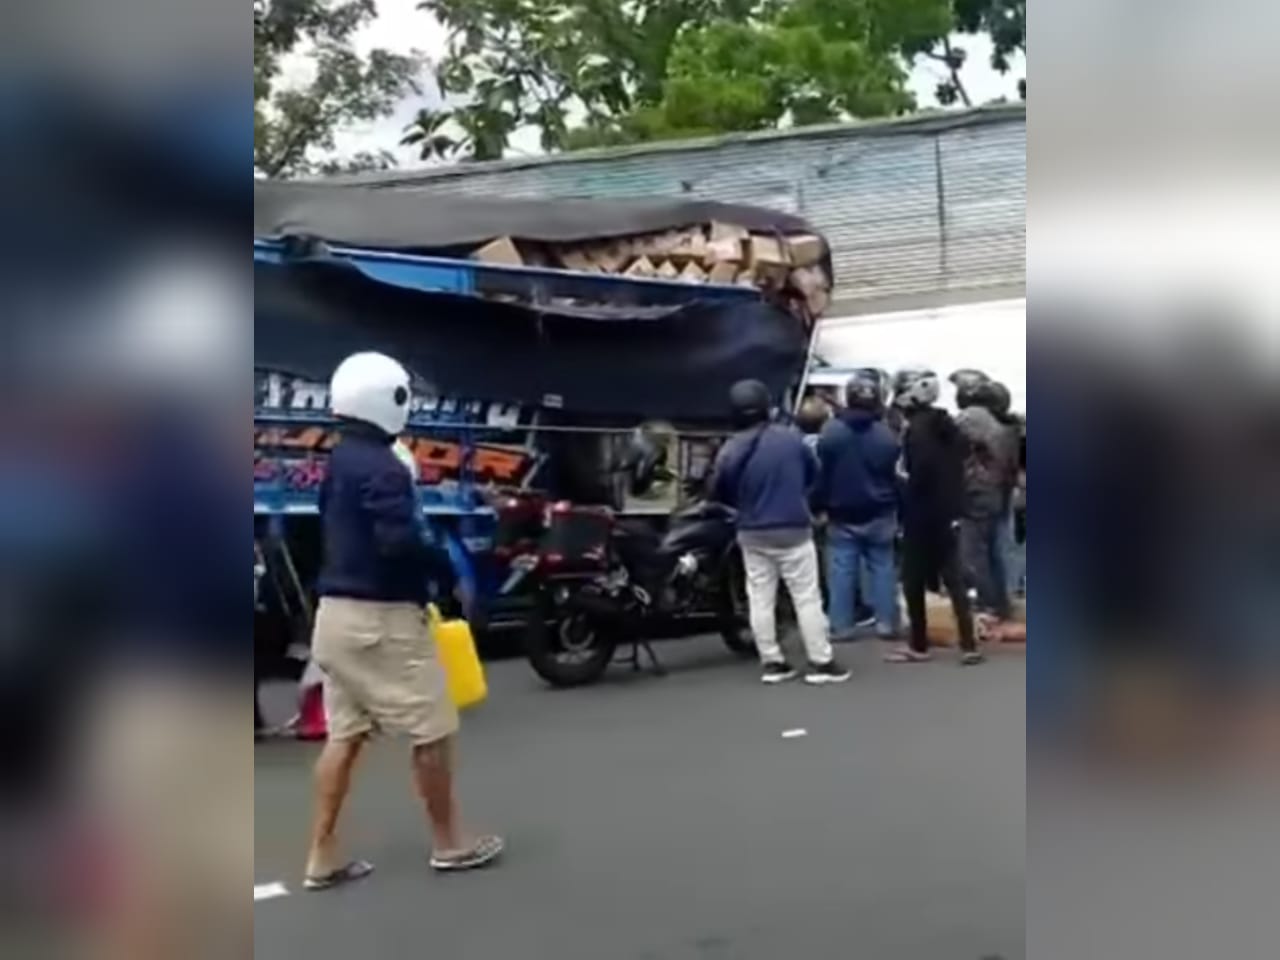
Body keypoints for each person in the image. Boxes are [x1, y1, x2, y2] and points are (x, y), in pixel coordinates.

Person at [303, 351, 503, 890]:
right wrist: (445, 571)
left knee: (344, 736)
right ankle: (450, 843)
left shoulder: (340, 459)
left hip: (336, 620)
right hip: (381, 620)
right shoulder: (385, 465)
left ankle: (322, 855)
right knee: (432, 728)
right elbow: (399, 540)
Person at [711, 379, 850, 684]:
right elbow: (814, 476)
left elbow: (720, 490)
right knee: (806, 597)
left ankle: (773, 662)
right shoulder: (791, 440)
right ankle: (820, 662)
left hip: (751, 531)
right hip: (792, 528)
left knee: (760, 597)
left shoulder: (731, 448)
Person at [888, 367, 983, 665]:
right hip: (948, 511)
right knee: (953, 578)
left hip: (921, 513)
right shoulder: (948, 425)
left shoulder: (916, 430)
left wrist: (902, 481)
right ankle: (969, 644)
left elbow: (918, 474)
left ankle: (919, 643)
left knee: (912, 578)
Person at [816, 369, 901, 642]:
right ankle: (886, 623)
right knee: (883, 567)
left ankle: (841, 626)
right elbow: (894, 474)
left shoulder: (831, 433)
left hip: (841, 511)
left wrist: (817, 504)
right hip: (880, 508)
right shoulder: (886, 435)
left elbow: (822, 474)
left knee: (841, 569)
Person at [951, 373, 1019, 634]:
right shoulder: (1010, 426)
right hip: (1000, 493)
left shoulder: (974, 419)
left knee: (973, 553)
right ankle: (1001, 603)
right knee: (995, 553)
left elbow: (953, 443)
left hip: (978, 493)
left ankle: (987, 605)